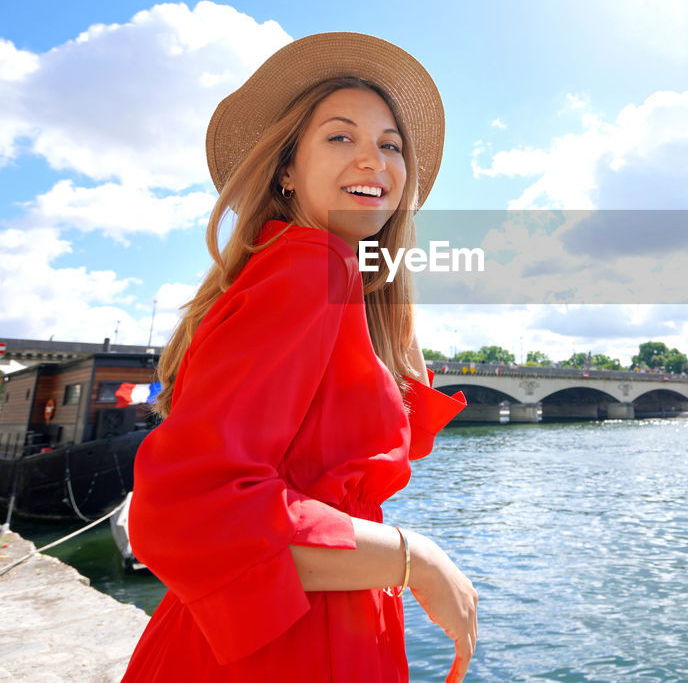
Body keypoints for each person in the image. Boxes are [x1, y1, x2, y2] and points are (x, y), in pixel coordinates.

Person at [121, 33, 476, 683]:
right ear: (286, 169)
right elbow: (189, 505)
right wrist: (414, 558)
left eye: (391, 144)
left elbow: (336, 459)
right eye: (341, 137)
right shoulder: (310, 269)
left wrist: (388, 304)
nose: (374, 158)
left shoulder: (311, 272)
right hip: (292, 648)